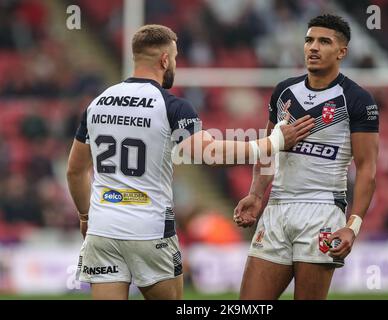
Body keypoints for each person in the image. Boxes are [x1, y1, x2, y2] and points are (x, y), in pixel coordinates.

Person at [66, 24, 314, 300]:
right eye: (174, 57)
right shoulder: (171, 105)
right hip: (149, 229)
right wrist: (273, 143)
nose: (175, 63)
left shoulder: (97, 104)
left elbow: (75, 171)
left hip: (104, 228)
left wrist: (86, 216)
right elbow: (210, 153)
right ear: (163, 60)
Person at [233, 14, 379, 300]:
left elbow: (367, 170)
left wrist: (353, 226)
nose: (313, 47)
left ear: (342, 52)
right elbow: (267, 149)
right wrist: (256, 194)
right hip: (276, 209)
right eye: (309, 40)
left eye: (324, 41)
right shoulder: (284, 92)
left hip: (321, 212)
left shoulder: (357, 100)